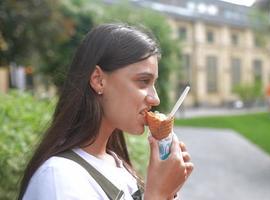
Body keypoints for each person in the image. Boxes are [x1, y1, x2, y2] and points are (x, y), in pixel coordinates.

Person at [18, 24, 193, 200]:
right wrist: (158, 194)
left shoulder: (116, 163)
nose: (155, 99)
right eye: (143, 81)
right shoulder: (59, 178)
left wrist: (168, 189)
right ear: (98, 80)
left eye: (153, 83)